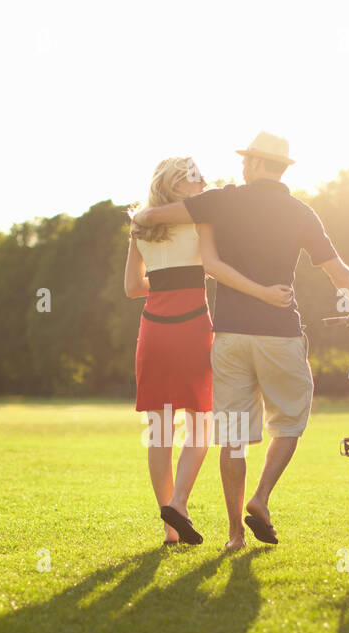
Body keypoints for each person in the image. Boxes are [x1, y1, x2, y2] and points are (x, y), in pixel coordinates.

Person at [132, 132, 349, 549]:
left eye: (247, 160)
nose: (243, 166)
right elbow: (337, 270)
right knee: (289, 422)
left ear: (256, 164)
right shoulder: (301, 212)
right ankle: (261, 498)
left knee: (231, 435)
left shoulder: (222, 201)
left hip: (228, 337)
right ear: (282, 167)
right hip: (280, 334)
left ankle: (234, 536)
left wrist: (147, 223)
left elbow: (154, 216)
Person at [125, 156, 292, 546]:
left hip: (152, 331)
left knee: (160, 430)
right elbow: (214, 265)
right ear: (176, 185)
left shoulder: (140, 226)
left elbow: (133, 287)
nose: (202, 182)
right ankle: (178, 505)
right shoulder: (202, 219)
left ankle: (170, 527)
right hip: (192, 328)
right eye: (193, 178)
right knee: (200, 425)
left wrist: (166, 281)